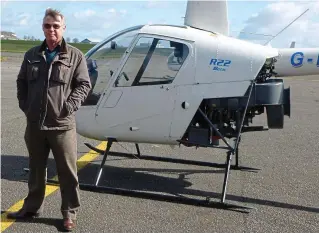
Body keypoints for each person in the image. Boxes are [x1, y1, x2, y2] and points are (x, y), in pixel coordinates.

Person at [7, 8, 91, 231]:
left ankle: (69, 213)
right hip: (35, 125)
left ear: (63, 28)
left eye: (55, 26)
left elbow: (84, 85)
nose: (51, 29)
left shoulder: (74, 56)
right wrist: (26, 106)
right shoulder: (32, 54)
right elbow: (21, 82)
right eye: (47, 26)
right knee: (36, 168)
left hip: (62, 126)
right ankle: (32, 207)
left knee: (67, 171)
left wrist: (69, 106)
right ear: (42, 28)